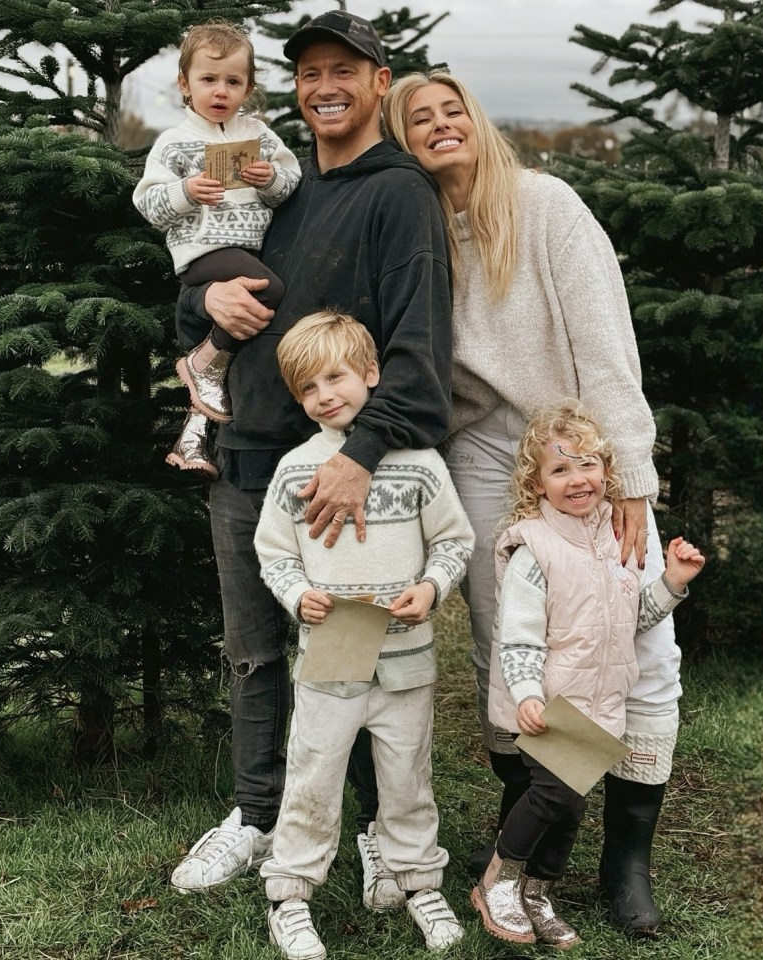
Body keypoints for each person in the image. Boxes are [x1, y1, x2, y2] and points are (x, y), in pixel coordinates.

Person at [167, 10, 454, 925]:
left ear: (380, 82)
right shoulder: (284, 189)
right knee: (256, 653)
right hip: (247, 455)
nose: (323, 86)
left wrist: (361, 457)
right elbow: (216, 291)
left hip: (345, 475)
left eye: (343, 70)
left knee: (353, 654)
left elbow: (418, 347)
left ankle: (375, 829)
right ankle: (256, 816)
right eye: (306, 73)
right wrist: (201, 300)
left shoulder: (398, 193)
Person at [383, 71, 685, 934]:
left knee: (642, 634)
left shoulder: (544, 204)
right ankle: (535, 840)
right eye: (419, 119)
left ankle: (627, 865)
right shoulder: (417, 228)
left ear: (475, 122)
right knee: (505, 642)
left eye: (451, 111)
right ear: (402, 140)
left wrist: (628, 470)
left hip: (579, 445)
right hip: (481, 450)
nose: (439, 126)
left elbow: (604, 335)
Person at [254, 311, 472, 959]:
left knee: (407, 774)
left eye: (335, 377)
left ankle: (415, 881)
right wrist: (297, 595)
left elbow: (454, 541)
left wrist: (431, 588)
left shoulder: (418, 462)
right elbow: (274, 554)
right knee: (313, 772)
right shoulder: (296, 469)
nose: (324, 395)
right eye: (308, 388)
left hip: (405, 654)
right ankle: (289, 895)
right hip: (332, 651)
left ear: (370, 375)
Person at [468, 405, 704, 947]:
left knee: (570, 808)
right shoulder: (534, 547)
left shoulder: (614, 538)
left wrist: (670, 581)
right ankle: (498, 881)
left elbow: (632, 620)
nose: (578, 479)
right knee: (551, 795)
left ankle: (537, 893)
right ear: (536, 482)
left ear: (606, 471)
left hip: (598, 705)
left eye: (588, 465)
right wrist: (527, 693)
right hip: (548, 703)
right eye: (560, 469)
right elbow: (519, 635)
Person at [133, 20, 301, 474]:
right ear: (185, 84)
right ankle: (202, 363)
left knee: (241, 353)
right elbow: (148, 204)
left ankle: (191, 443)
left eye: (233, 81)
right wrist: (187, 191)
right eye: (209, 79)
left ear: (248, 87)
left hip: (248, 248)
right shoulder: (173, 143)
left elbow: (290, 183)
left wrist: (270, 180)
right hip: (203, 253)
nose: (221, 91)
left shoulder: (260, 136)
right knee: (269, 290)